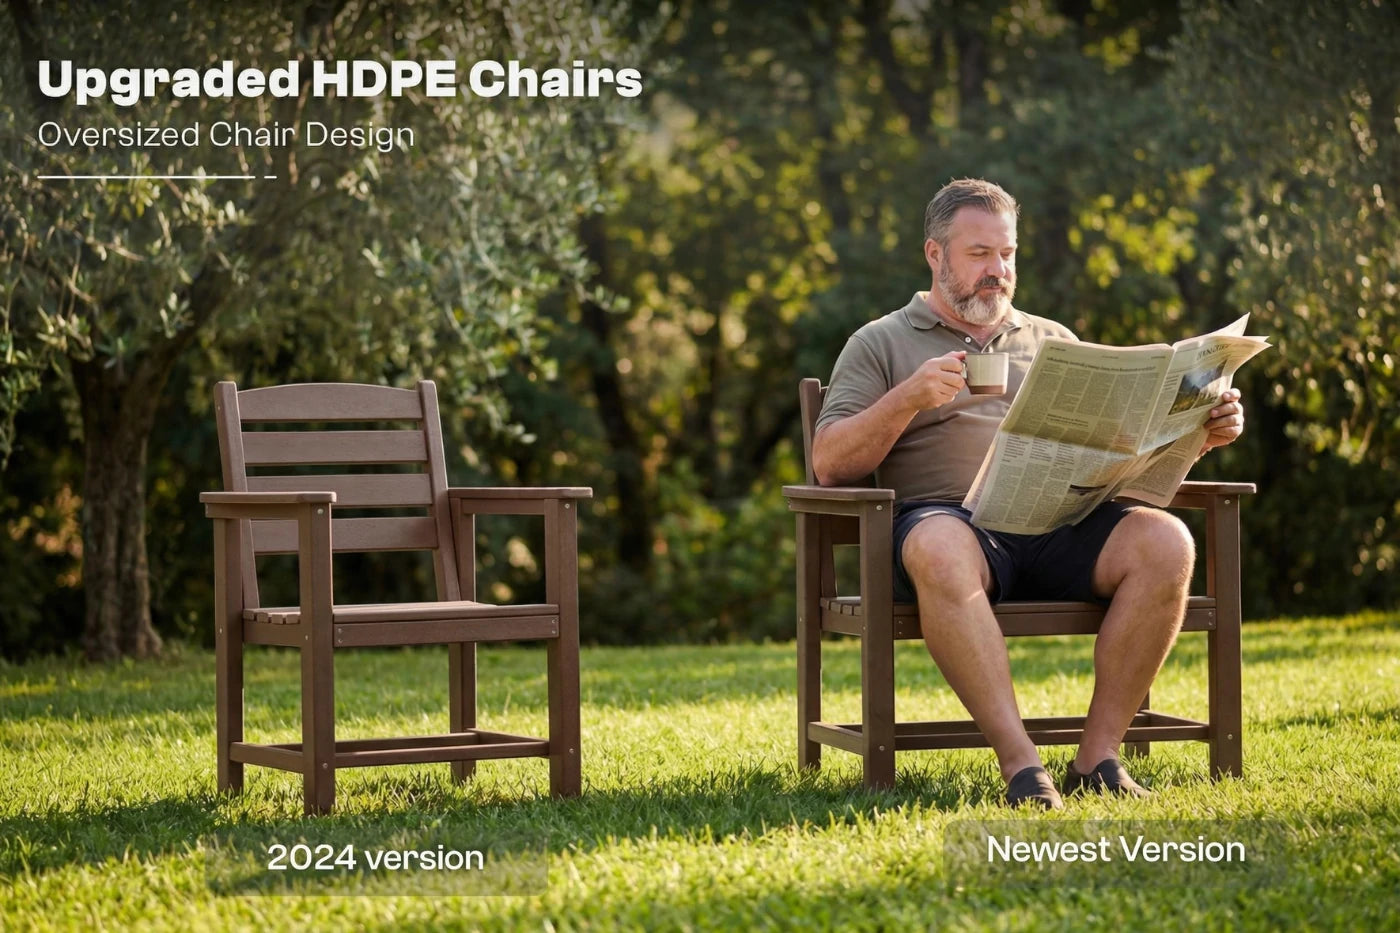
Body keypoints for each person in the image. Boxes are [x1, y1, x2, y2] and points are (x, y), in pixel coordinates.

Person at [812, 178, 1245, 809]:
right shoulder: (881, 341)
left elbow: (1119, 454)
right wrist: (906, 398)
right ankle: (1022, 767)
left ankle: (1098, 759)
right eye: (980, 254)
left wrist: (1201, 432)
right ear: (935, 254)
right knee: (939, 546)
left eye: (1007, 254)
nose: (998, 270)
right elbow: (828, 464)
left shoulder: (1052, 340)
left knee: (1166, 542)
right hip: (950, 526)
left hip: (1059, 522)